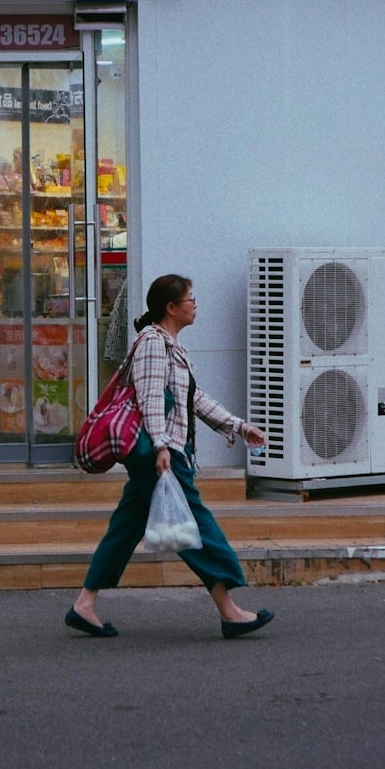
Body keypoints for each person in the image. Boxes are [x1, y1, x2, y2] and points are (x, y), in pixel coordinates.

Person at [66, 274, 274, 640]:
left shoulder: (172, 346)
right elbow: (147, 397)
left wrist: (240, 427)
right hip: (159, 454)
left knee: (126, 526)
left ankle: (84, 605)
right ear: (171, 307)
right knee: (195, 526)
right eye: (190, 299)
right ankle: (230, 611)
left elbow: (194, 399)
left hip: (162, 451)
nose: (195, 305)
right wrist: (161, 446)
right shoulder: (151, 343)